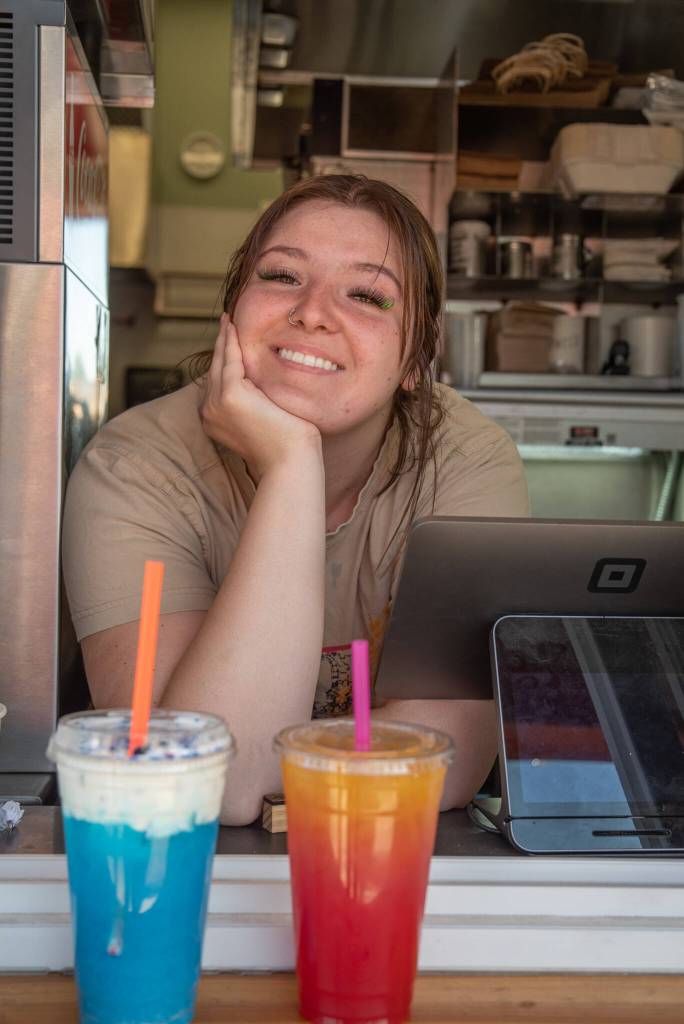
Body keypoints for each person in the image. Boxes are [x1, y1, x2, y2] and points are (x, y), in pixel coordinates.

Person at [62, 174, 529, 825]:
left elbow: (451, 758)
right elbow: (209, 789)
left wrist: (264, 767)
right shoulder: (134, 466)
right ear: (231, 313)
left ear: (416, 361)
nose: (311, 312)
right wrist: (290, 467)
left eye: (367, 295)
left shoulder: (464, 460)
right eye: (282, 277)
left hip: (380, 868)